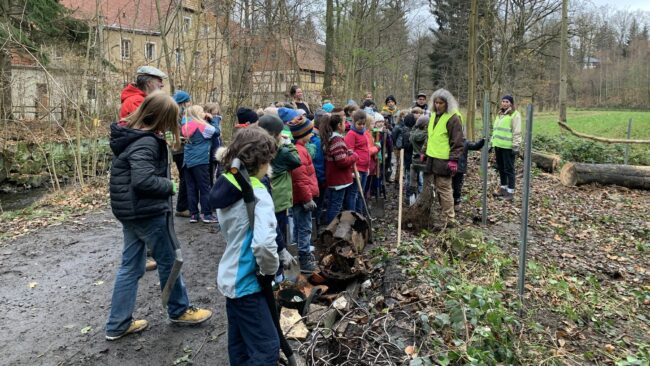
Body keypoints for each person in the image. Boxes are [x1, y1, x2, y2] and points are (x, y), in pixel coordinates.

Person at [106, 91, 212, 341]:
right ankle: (179, 309)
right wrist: (169, 186)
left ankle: (117, 324)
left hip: (130, 212)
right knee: (170, 260)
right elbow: (142, 180)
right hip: (147, 212)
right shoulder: (145, 142)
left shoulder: (132, 136)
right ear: (162, 118)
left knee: (130, 267)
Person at [210, 126, 281, 365]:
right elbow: (262, 244)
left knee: (239, 344)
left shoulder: (228, 183)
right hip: (247, 283)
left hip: (230, 276)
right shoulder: (257, 194)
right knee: (267, 348)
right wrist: (271, 269)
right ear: (262, 162)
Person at [258, 114, 300, 283]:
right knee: (278, 235)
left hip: (269, 199)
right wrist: (289, 145)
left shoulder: (257, 148)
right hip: (278, 200)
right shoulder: (280, 151)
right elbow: (296, 160)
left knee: (272, 235)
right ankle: (278, 274)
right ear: (275, 135)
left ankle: (273, 272)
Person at [422, 89, 464, 229]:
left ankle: (449, 218)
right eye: (436, 102)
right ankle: (443, 214)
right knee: (437, 188)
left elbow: (457, 141)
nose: (438, 105)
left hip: (444, 160)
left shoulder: (453, 118)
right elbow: (430, 135)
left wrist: (453, 159)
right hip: (432, 157)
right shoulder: (433, 116)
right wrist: (424, 151)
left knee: (445, 188)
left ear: (447, 103)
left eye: (441, 103)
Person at [288, 116, 319, 272]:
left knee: (299, 226)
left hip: (300, 197)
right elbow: (300, 179)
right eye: (309, 132)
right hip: (302, 198)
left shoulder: (300, 149)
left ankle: (297, 253)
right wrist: (307, 198)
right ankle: (304, 258)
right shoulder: (299, 152)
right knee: (305, 227)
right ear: (302, 134)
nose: (312, 134)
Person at [181, 105, 217, 223]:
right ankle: (206, 214)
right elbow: (216, 132)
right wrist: (213, 120)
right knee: (205, 187)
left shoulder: (185, 126)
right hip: (201, 161)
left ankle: (193, 215)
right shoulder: (203, 126)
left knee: (191, 188)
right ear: (198, 113)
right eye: (202, 111)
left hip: (187, 161)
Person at [320, 114, 358, 224]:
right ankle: (331, 230)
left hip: (334, 178)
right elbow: (342, 162)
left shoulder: (332, 138)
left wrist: (347, 153)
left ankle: (330, 228)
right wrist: (354, 156)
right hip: (339, 180)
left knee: (333, 204)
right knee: (335, 206)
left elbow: (338, 155)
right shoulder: (337, 140)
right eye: (344, 122)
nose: (346, 124)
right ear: (339, 125)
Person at [491, 95, 521, 201]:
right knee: (501, 168)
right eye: (503, 101)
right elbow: (496, 130)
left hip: (508, 147)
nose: (504, 103)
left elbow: (517, 131)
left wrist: (516, 145)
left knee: (509, 170)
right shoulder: (500, 114)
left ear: (511, 104)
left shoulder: (515, 115)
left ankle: (510, 192)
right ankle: (503, 189)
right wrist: (492, 143)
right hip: (498, 146)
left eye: (507, 101)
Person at [345, 109, 370, 214]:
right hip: (356, 168)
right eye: (359, 124)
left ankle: (360, 215)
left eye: (363, 124)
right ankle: (353, 215)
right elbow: (349, 152)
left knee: (361, 193)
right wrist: (352, 171)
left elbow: (365, 149)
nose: (361, 126)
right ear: (353, 122)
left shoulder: (363, 133)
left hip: (364, 167)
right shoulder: (351, 134)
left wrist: (367, 167)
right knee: (353, 193)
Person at [172, 90, 192, 218]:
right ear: (183, 102)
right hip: (180, 150)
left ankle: (185, 205)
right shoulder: (178, 113)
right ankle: (182, 207)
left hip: (178, 149)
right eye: (187, 101)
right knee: (185, 177)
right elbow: (180, 132)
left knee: (185, 177)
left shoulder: (176, 112)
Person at [453, 138, 486, 210]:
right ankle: (448, 202)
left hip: (459, 168)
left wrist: (482, 141)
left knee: (457, 186)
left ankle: (456, 202)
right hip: (449, 167)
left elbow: (475, 146)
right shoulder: (449, 139)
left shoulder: (465, 142)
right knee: (448, 185)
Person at [408, 115, 428, 199]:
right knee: (425, 181)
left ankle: (412, 198)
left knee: (413, 180)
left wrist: (416, 124)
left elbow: (412, 132)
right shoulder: (427, 135)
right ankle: (423, 197)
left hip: (415, 159)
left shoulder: (413, 134)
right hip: (424, 160)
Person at [203, 102, 222, 185]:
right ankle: (211, 187)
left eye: (217, 114)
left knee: (221, 168)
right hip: (210, 148)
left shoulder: (217, 119)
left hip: (218, 146)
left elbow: (219, 134)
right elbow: (215, 132)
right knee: (210, 170)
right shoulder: (205, 122)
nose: (215, 116)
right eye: (213, 114)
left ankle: (219, 185)